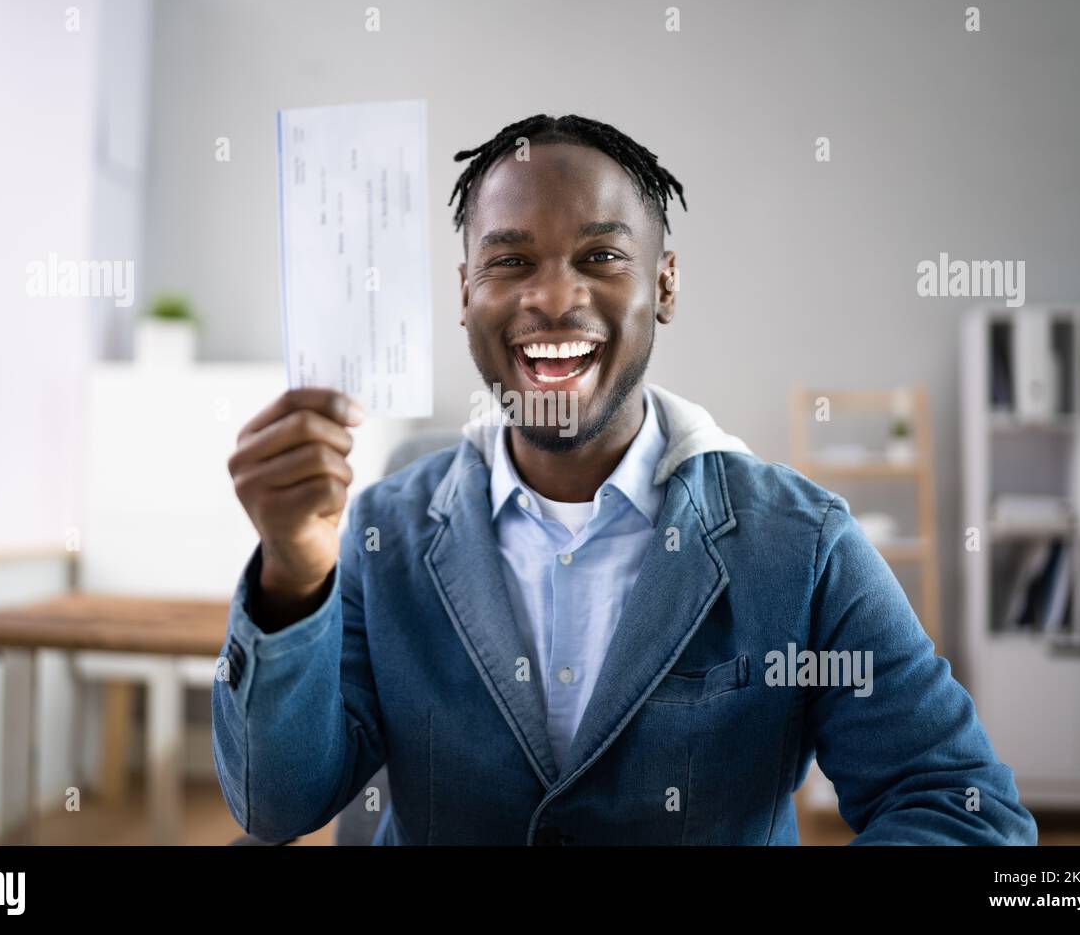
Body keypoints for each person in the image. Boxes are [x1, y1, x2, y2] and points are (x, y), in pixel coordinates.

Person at [213, 113, 1037, 845]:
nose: (554, 298)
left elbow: (960, 806)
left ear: (664, 285)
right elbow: (278, 805)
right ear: (466, 293)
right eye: (510, 261)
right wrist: (292, 571)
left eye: (601, 256)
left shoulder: (801, 543)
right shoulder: (378, 530)